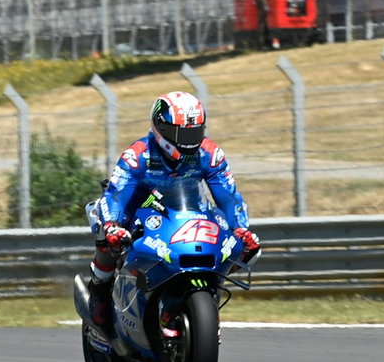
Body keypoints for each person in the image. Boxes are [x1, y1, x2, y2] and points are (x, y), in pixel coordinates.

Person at [83, 91, 260, 330]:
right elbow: (116, 194)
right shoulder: (137, 155)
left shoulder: (209, 154)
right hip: (139, 210)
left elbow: (228, 197)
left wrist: (240, 228)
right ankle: (99, 292)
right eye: (181, 134)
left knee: (237, 244)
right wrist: (112, 224)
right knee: (109, 240)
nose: (188, 141)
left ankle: (204, 302)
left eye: (194, 133)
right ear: (161, 128)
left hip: (188, 210)